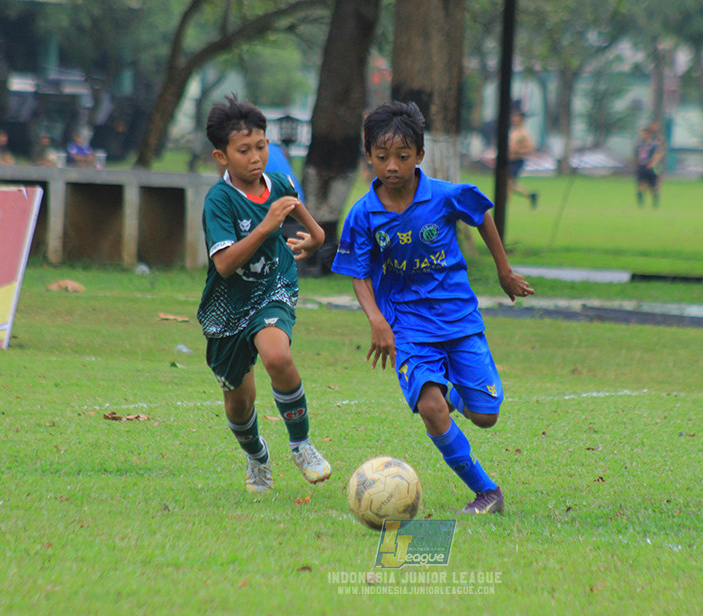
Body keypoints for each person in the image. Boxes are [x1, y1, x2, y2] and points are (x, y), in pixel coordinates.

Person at [332, 101, 535, 515]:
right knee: (429, 406)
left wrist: (504, 272)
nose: (392, 166)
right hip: (407, 325)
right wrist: (376, 320)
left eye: (403, 157)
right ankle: (486, 492)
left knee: (485, 416)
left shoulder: (444, 196)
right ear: (368, 155)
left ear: (420, 156)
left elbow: (482, 214)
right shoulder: (363, 214)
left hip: (458, 317)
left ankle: (456, 392)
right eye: (382, 157)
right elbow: (359, 271)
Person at [197, 95, 331, 495]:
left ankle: (302, 444)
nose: (256, 157)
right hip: (227, 306)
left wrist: (312, 240)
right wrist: (266, 226)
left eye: (262, 146)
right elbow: (223, 266)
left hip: (274, 287)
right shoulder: (218, 201)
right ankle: (257, 456)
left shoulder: (282, 184)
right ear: (222, 156)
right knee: (239, 403)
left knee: (277, 355)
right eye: (244, 150)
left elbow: (317, 232)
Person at [508, 104, 538, 209]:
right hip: (509, 160)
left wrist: (518, 151)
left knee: (508, 184)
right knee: (508, 185)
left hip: (517, 161)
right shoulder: (513, 131)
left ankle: (504, 204)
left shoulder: (524, 133)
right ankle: (530, 195)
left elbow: (530, 148)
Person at [635, 124, 663, 208]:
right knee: (640, 186)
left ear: (648, 135)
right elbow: (636, 155)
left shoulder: (652, 145)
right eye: (642, 134)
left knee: (653, 187)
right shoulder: (639, 145)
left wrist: (652, 163)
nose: (643, 136)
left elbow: (657, 154)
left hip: (650, 167)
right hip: (641, 166)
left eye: (645, 134)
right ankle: (641, 204)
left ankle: (655, 203)